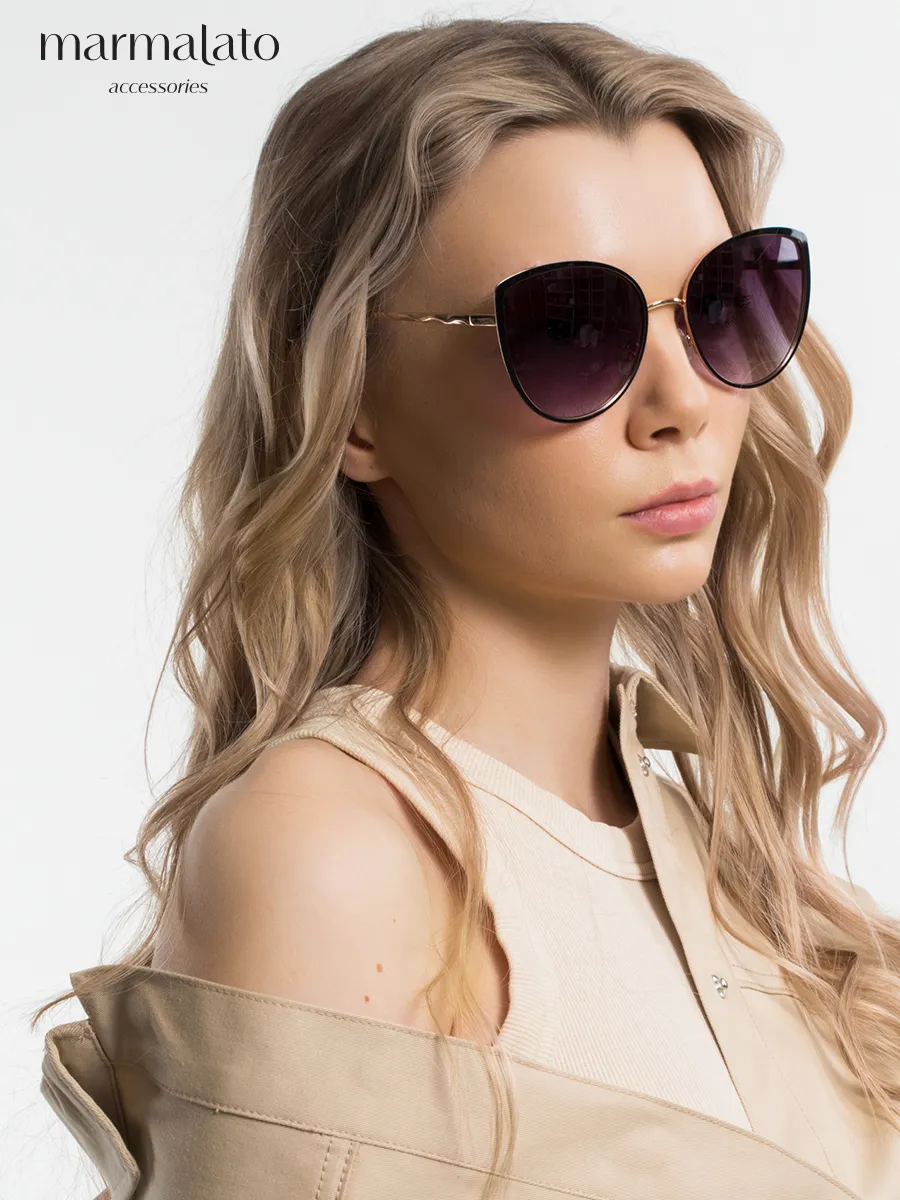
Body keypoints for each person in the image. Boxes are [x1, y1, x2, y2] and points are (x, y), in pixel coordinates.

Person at [34, 16, 900, 1200]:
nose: (684, 401)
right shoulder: (330, 855)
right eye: (572, 328)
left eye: (722, 302)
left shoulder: (728, 852)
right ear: (352, 405)